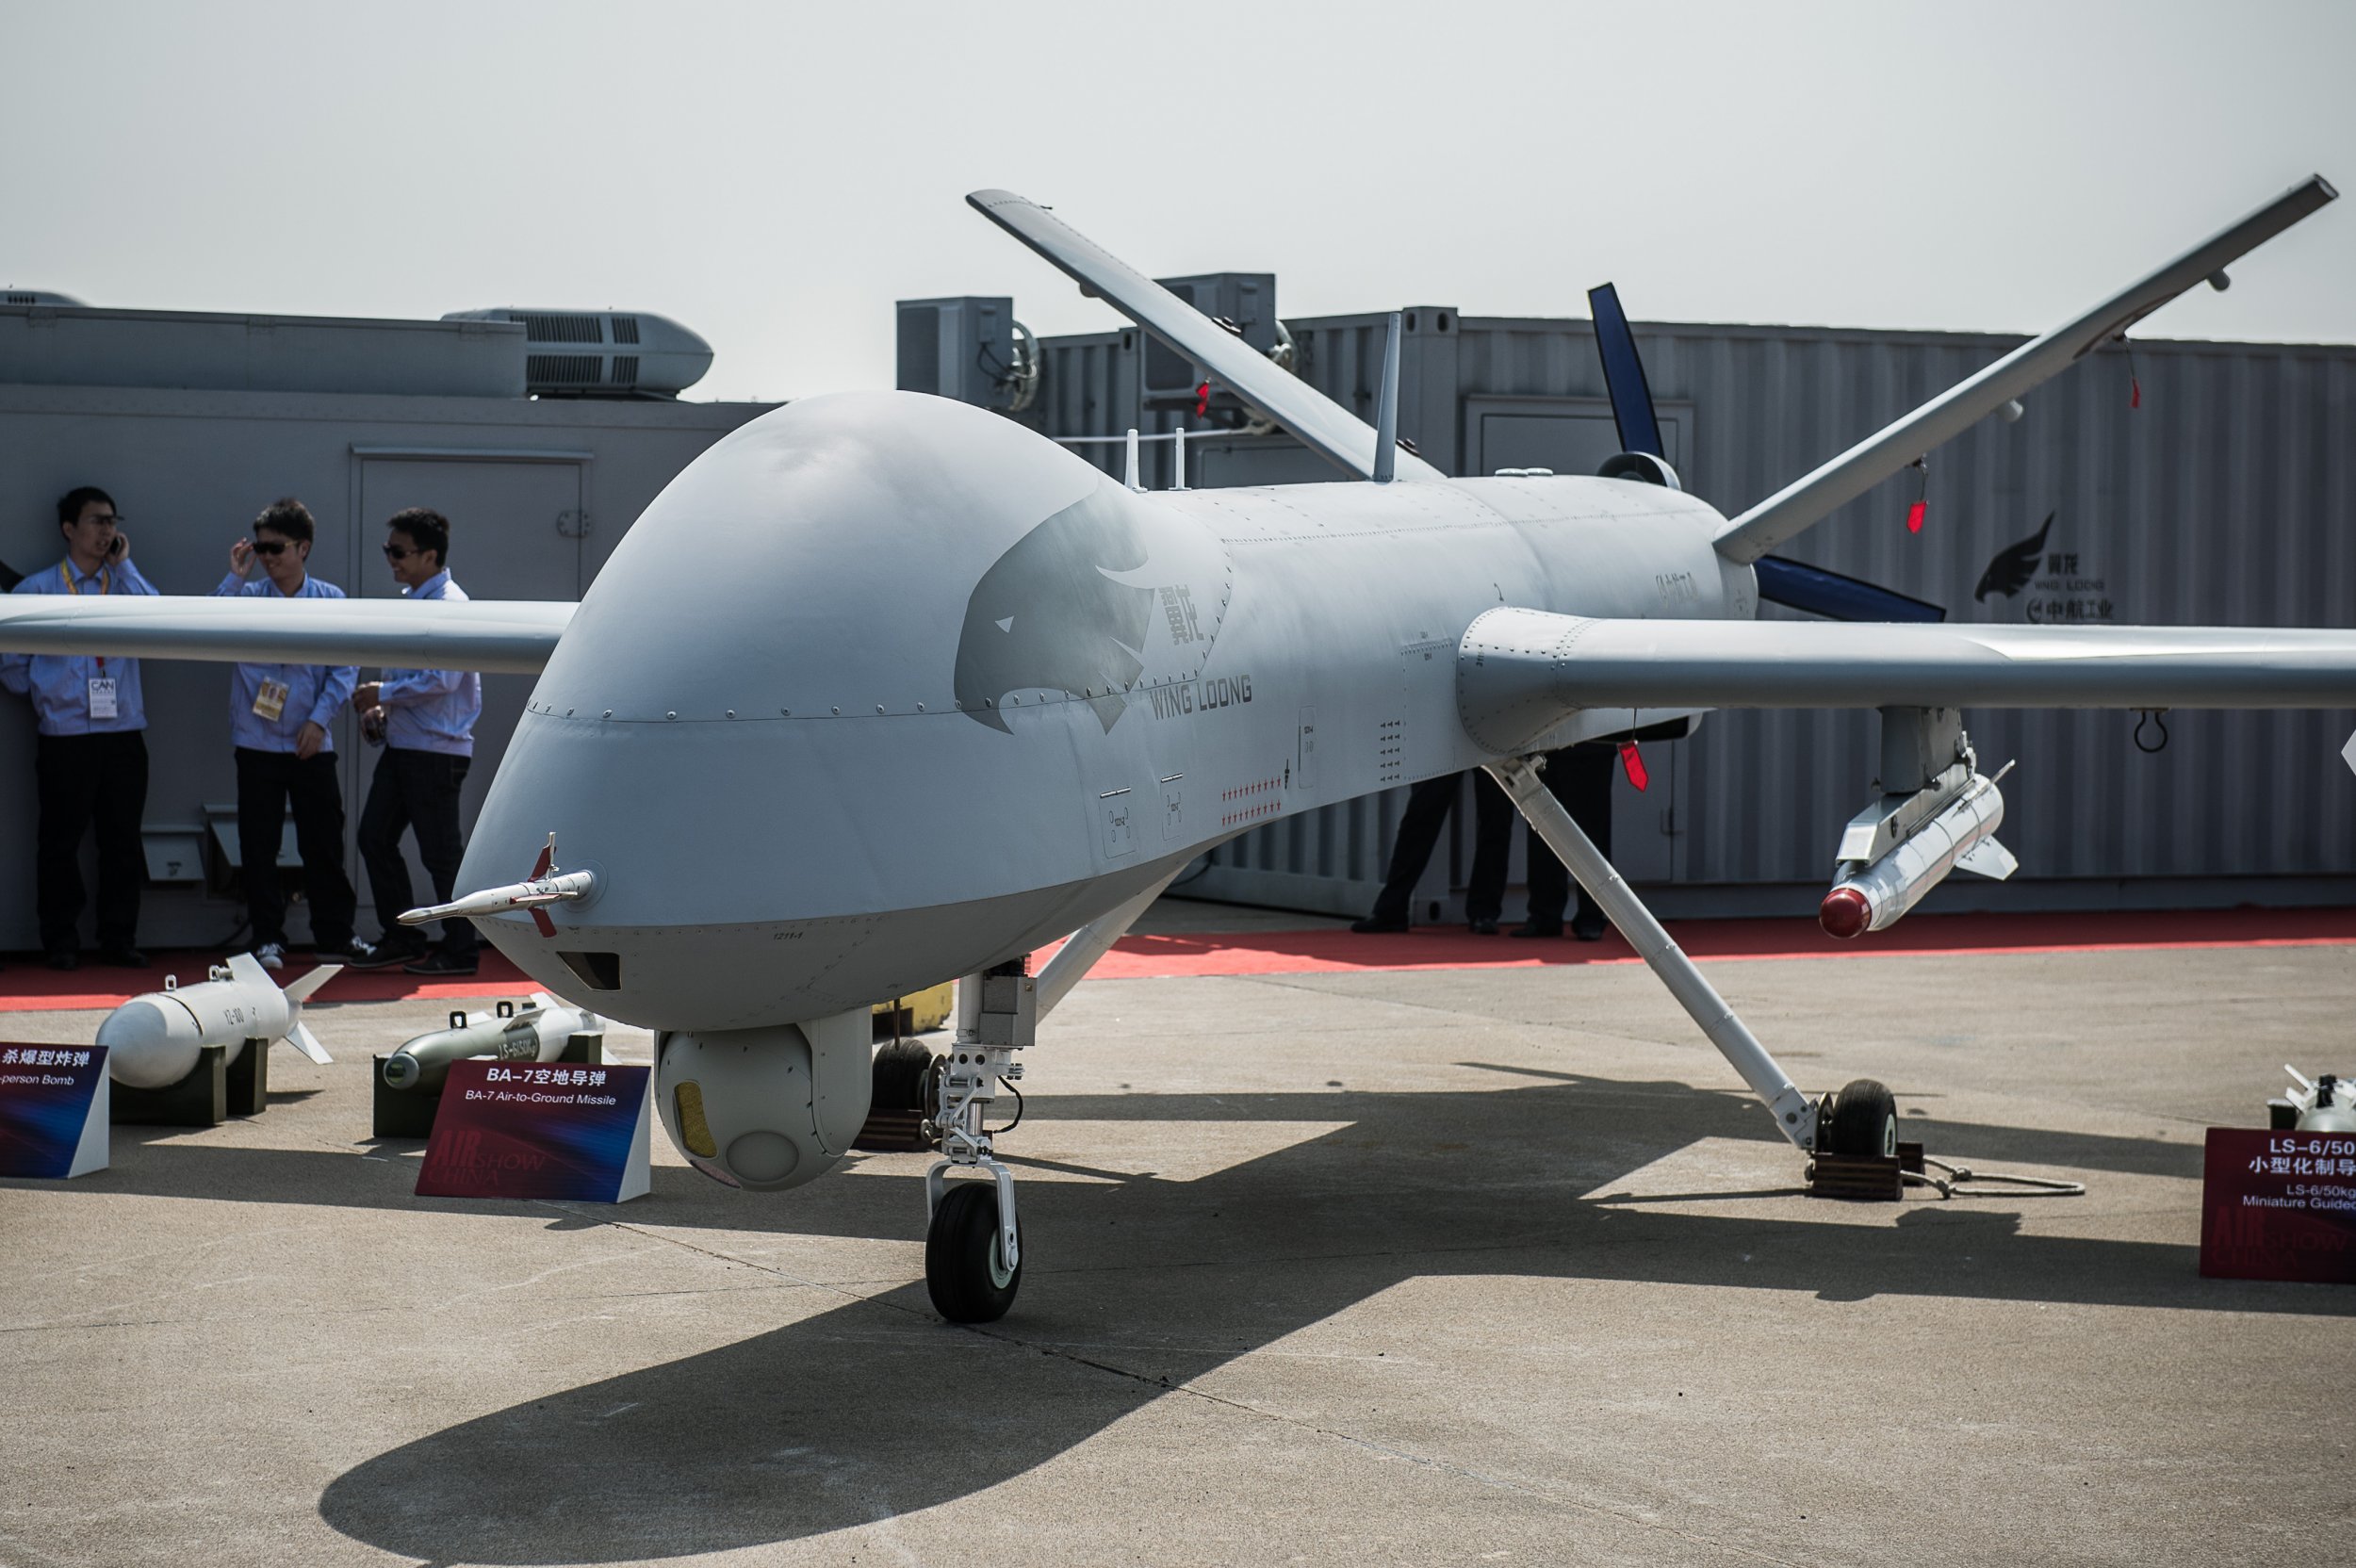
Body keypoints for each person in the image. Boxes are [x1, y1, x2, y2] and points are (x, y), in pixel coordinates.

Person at [0, 487, 156, 970]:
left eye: (112, 520)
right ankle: (61, 940)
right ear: (69, 529)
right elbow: (11, 665)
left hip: (122, 733)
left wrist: (125, 566)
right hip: (64, 736)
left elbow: (157, 618)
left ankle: (118, 937)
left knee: (122, 841)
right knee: (60, 842)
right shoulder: (38, 590)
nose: (107, 530)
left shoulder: (124, 585)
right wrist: (51, 694)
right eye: (95, 521)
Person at [212, 498, 363, 970]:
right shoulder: (246, 596)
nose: (268, 557)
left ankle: (335, 935)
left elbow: (345, 668)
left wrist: (319, 721)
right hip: (257, 742)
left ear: (303, 547)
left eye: (276, 547)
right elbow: (210, 628)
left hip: (310, 741)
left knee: (324, 842)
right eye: (260, 548)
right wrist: (235, 576)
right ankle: (267, 938)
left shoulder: (331, 600)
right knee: (259, 844)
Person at [350, 508, 482, 976]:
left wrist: (381, 695)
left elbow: (441, 678)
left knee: (440, 853)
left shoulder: (449, 604)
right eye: (389, 550)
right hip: (410, 746)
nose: (392, 560)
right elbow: (427, 679)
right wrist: (386, 707)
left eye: (399, 552)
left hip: (435, 750)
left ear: (430, 555)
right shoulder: (417, 600)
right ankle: (404, 935)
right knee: (375, 838)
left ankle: (462, 950)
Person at [1351, 771, 1514, 934]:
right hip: (1460, 746)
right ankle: (1391, 909)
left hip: (1490, 747)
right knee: (1422, 812)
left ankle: (1484, 913)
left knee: (1496, 818)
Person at [1513, 744, 1615, 941]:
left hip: (1590, 745)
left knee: (1591, 837)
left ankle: (1591, 917)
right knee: (1542, 834)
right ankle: (1545, 915)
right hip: (1544, 747)